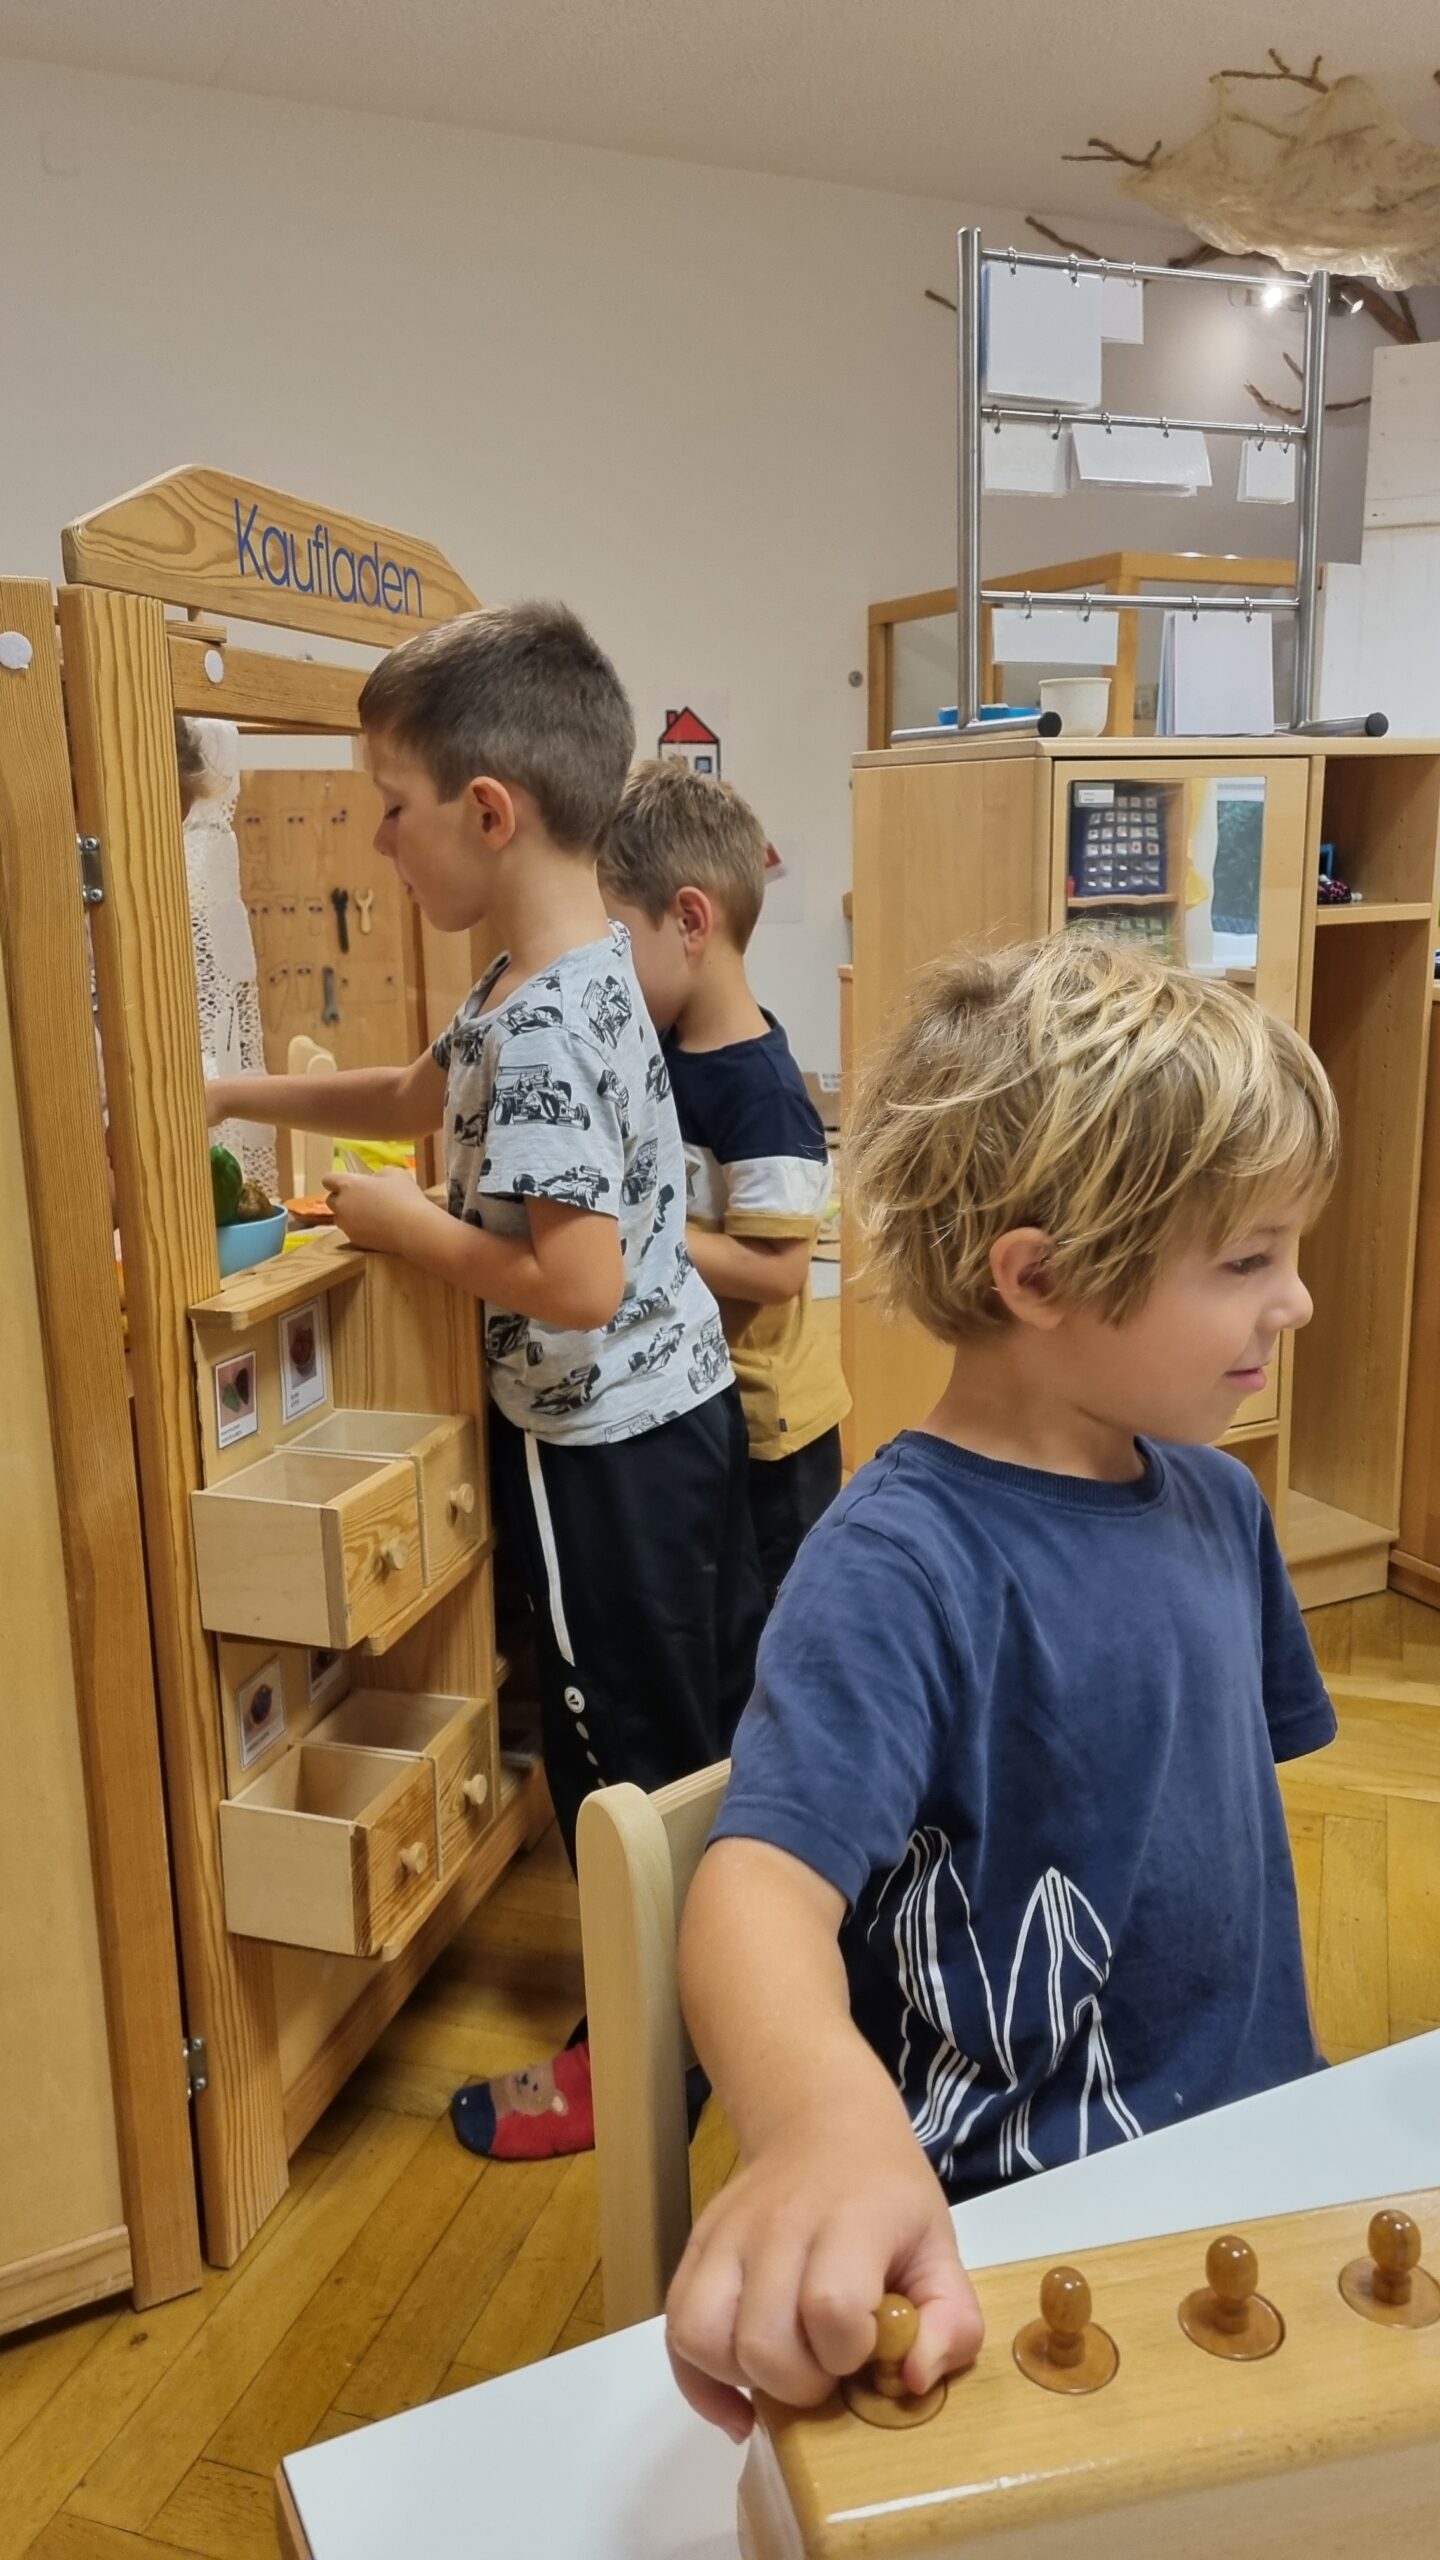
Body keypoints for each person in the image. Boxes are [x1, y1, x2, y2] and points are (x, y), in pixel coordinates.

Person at [664, 934, 1339, 2442]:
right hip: (1007, 2234)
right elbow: (756, 1889)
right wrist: (819, 2124)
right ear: (1037, 1276)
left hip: (1251, 2167)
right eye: (1247, 1260)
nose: (1294, 1301)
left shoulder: (1222, 1506)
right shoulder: (896, 1568)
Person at [207, 602, 765, 2161]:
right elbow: (413, 1090)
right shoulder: (555, 977)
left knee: (618, 1756)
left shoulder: (543, 1023)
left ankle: (646, 2054)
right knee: (685, 1727)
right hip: (674, 1419)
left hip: (607, 1450)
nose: (380, 842)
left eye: (392, 807)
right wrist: (231, 1087)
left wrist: (406, 1226)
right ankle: (719, 1996)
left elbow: (573, 1285)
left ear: (490, 810)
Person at [599, 761, 849, 1602]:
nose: (603, 969)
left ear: (690, 920)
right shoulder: (664, 1050)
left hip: (776, 1431)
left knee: (773, 1627)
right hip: (703, 1401)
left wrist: (630, 1231)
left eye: (615, 940)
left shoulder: (764, 1090)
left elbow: (778, 1271)